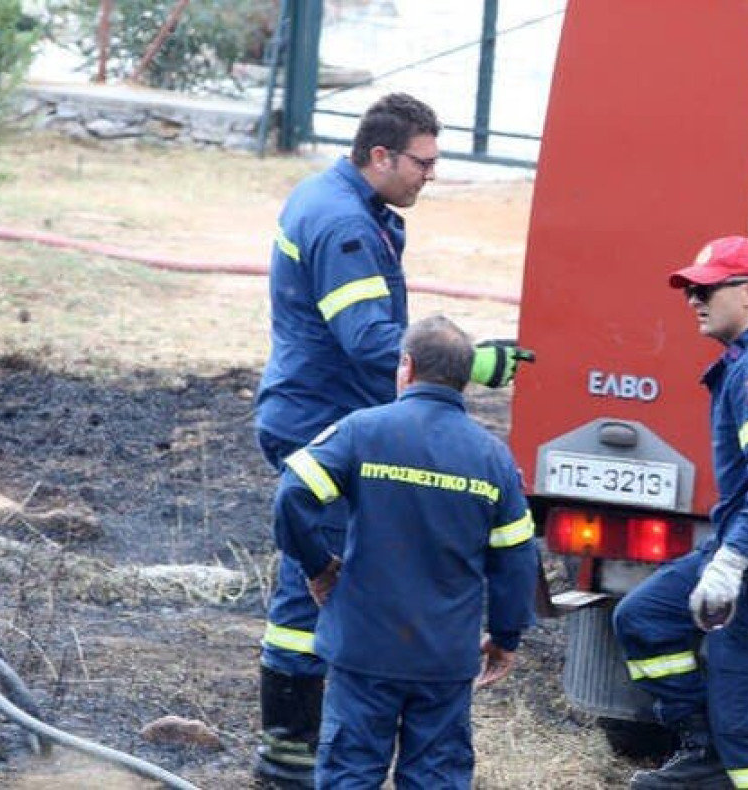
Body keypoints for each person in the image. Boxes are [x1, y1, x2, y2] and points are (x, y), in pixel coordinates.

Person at [252, 92, 527, 786]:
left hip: (318, 408)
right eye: (423, 163)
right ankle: (290, 753)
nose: (429, 177)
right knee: (310, 585)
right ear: (381, 156)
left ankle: (296, 746)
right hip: (323, 416)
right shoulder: (345, 226)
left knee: (328, 573)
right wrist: (474, 363)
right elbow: (371, 342)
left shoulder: (339, 201)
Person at [272, 315, 538, 789]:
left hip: (363, 649)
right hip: (444, 658)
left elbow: (292, 496)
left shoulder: (362, 432)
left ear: (407, 367)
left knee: (350, 774)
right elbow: (516, 559)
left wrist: (317, 567)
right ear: (465, 379)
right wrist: (505, 635)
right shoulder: (493, 458)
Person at [613, 236, 748, 790]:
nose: (693, 299)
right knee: (642, 619)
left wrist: (731, 562)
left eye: (706, 288)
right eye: (691, 289)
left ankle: (722, 754)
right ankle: (704, 749)